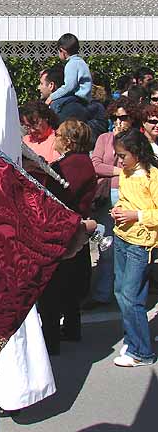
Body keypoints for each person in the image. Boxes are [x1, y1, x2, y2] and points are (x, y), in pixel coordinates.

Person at [38, 119, 97, 355]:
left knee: (54, 289)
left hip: (67, 231)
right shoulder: (77, 162)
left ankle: (52, 340)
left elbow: (60, 192)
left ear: (69, 140)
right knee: (69, 288)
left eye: (59, 135)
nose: (55, 138)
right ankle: (71, 329)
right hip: (73, 230)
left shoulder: (76, 164)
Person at [84, 98, 139, 310]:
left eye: (123, 117)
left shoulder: (136, 139)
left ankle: (125, 291)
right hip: (107, 194)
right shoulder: (105, 138)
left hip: (129, 195)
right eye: (115, 117)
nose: (119, 121)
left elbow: (136, 164)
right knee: (106, 246)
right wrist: (119, 170)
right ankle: (103, 293)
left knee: (127, 247)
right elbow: (96, 164)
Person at [111, 128, 158, 367]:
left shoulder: (153, 177)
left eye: (123, 156)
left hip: (141, 244)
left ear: (137, 153)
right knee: (121, 292)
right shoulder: (125, 175)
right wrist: (118, 210)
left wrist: (135, 215)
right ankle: (133, 340)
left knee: (131, 296)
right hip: (122, 238)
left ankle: (143, 351)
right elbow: (124, 200)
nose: (119, 161)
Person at [45, 34, 92, 121]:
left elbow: (69, 86)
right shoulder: (80, 62)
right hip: (85, 98)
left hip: (78, 98)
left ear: (62, 50)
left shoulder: (71, 64)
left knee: (55, 105)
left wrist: (52, 96)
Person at [19, 101, 60, 181]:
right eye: (28, 126)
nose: (32, 130)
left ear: (46, 118)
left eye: (35, 124)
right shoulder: (25, 140)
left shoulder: (57, 141)